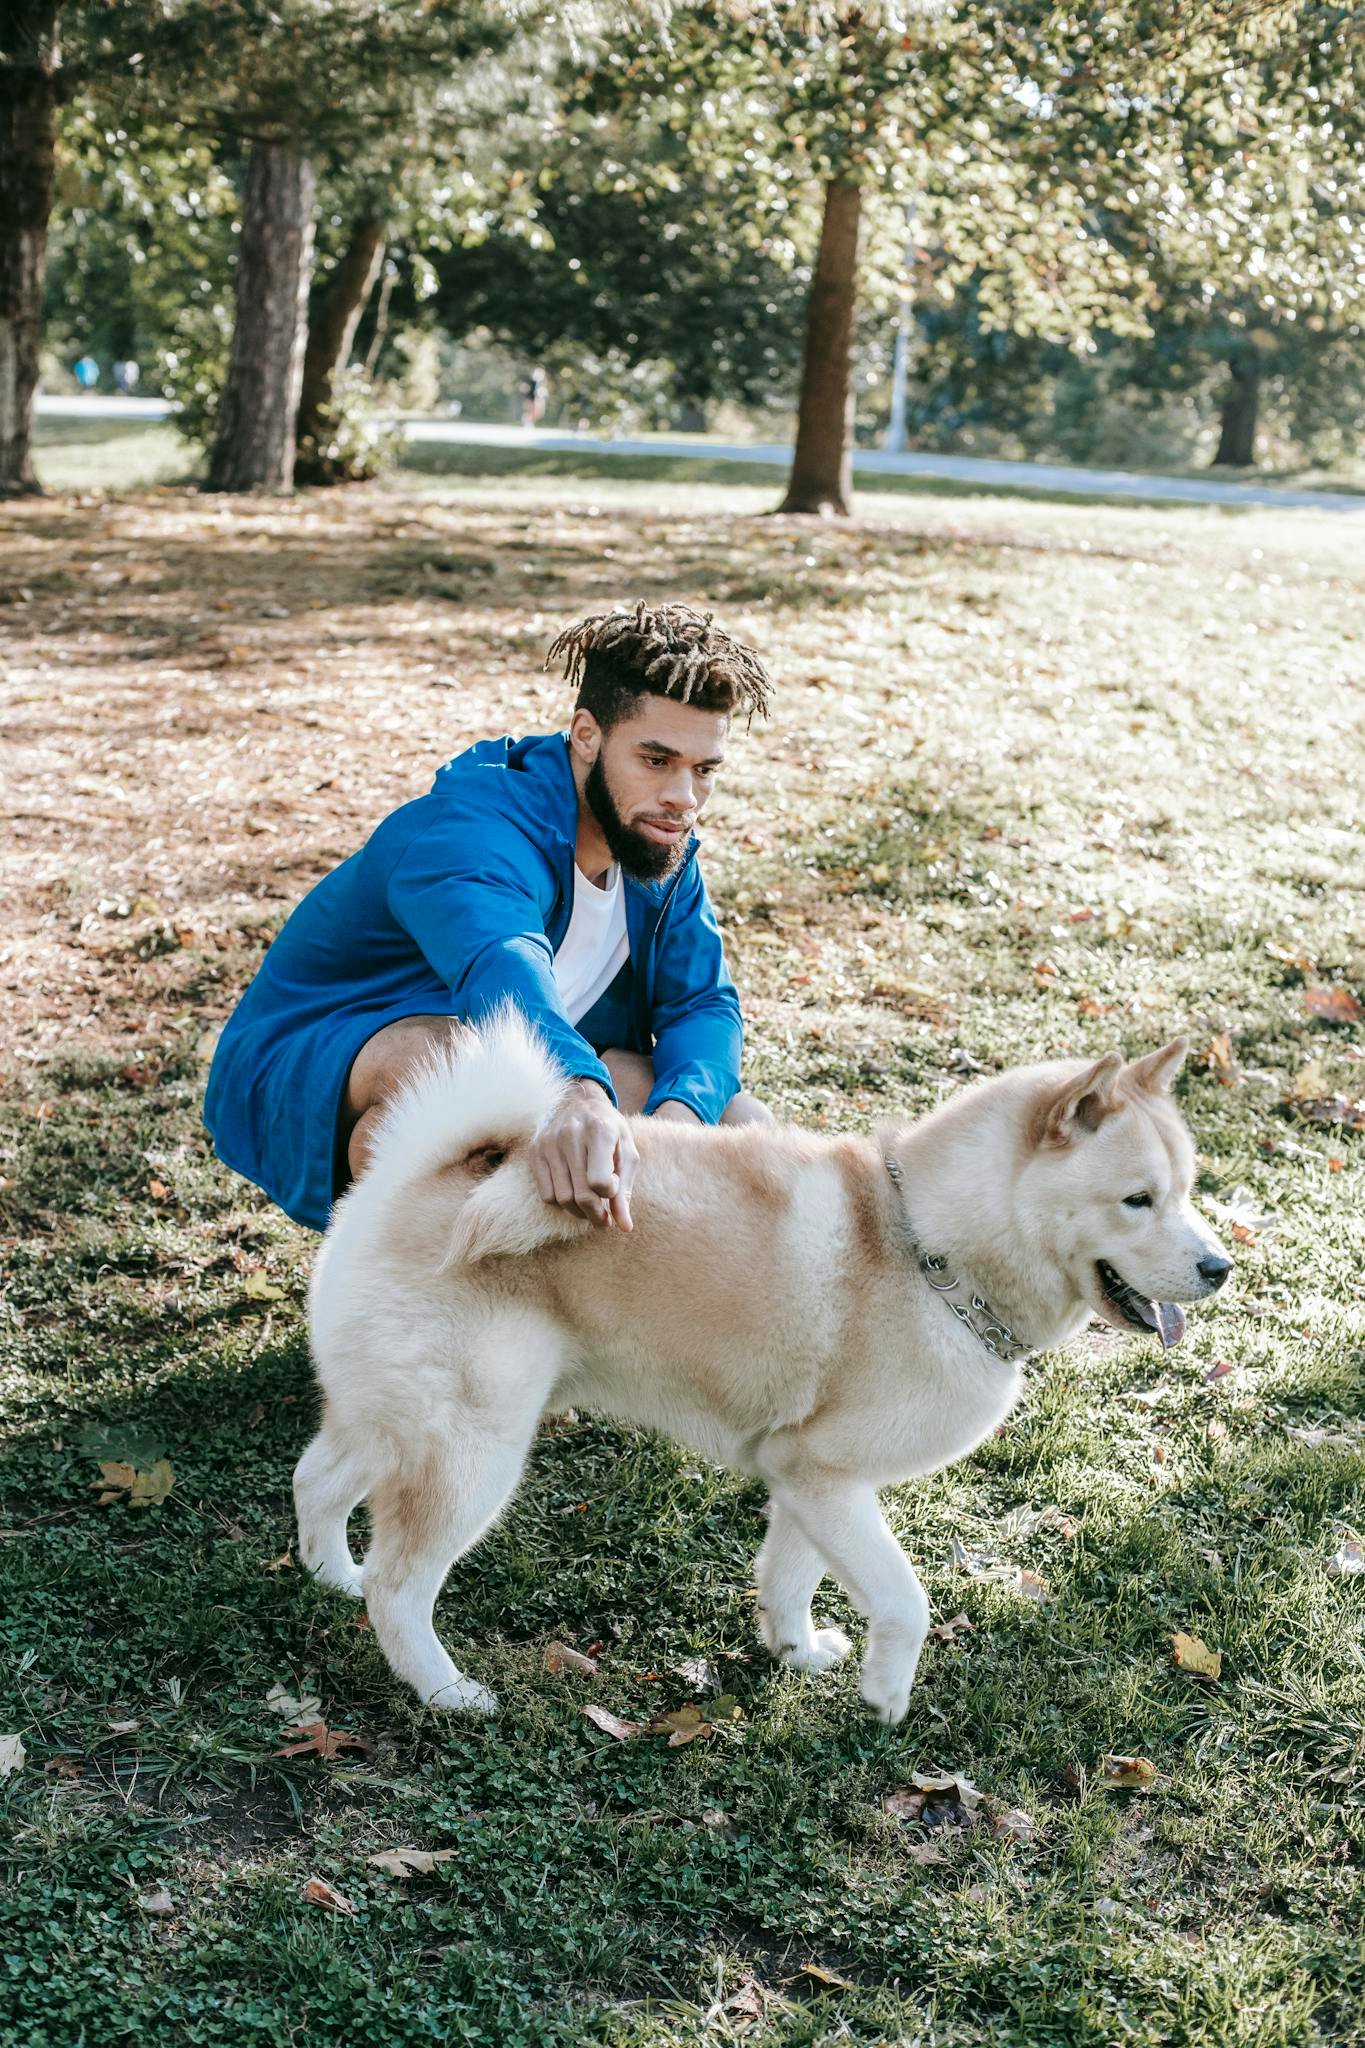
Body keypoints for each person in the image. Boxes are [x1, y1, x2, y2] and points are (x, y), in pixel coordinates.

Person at [203, 601, 774, 1236]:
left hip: (529, 1047)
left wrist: (680, 1124)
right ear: (587, 735)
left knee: (741, 1130)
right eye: (657, 759)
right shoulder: (471, 830)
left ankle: (607, 1313)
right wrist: (578, 1092)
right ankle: (425, 1307)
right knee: (462, 1071)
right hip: (316, 1064)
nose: (683, 797)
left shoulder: (657, 841)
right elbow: (501, 962)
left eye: (704, 770)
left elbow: (703, 1005)